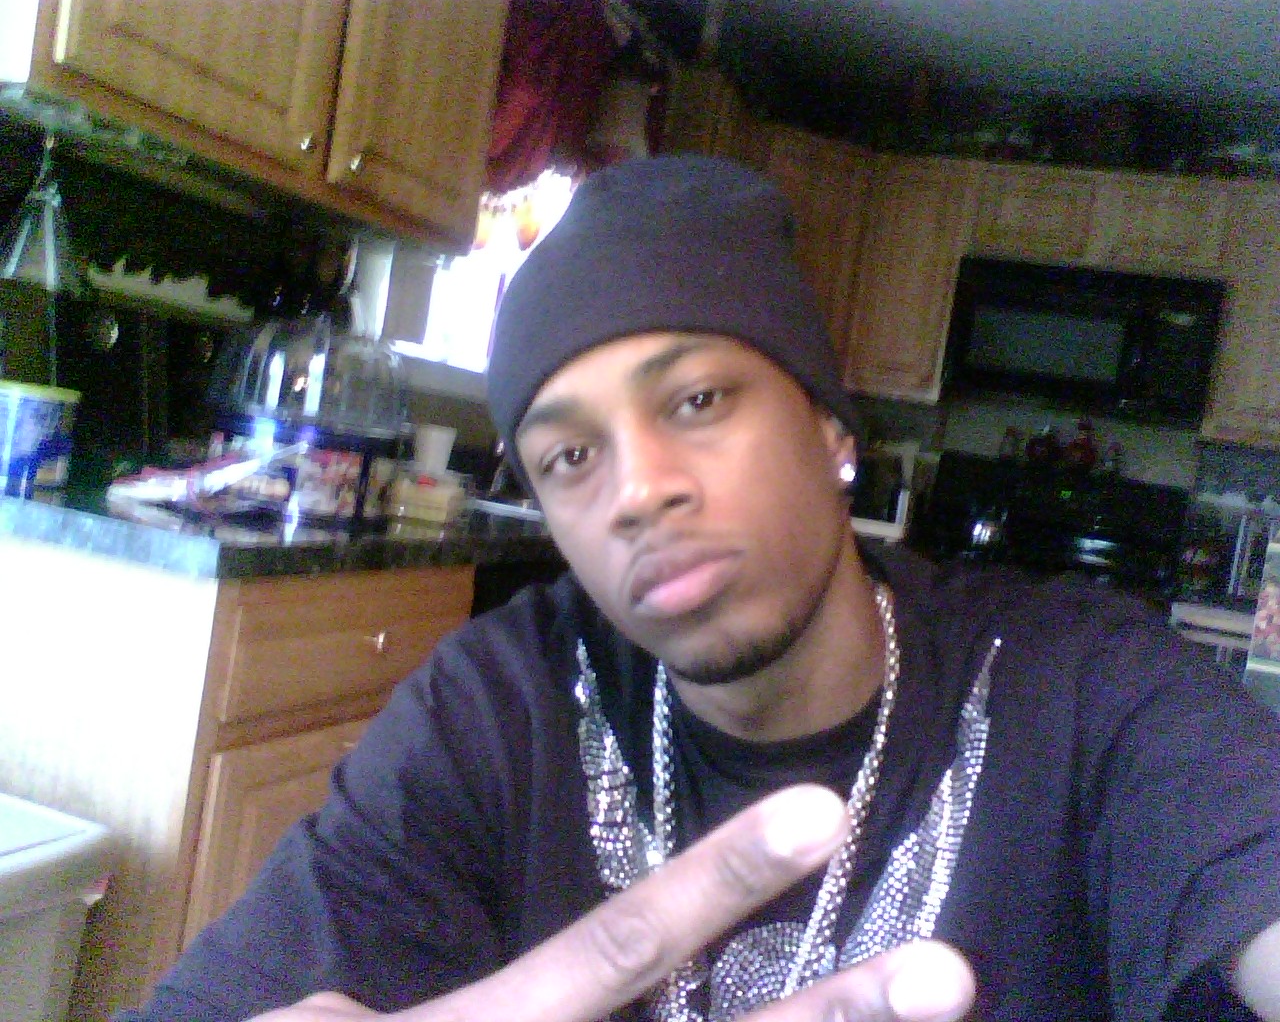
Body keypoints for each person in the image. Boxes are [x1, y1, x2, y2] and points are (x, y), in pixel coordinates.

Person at [117, 155, 1280, 1022]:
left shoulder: (1084, 689)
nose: (636, 491)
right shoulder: (497, 707)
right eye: (570, 455)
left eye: (697, 401)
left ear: (829, 430)